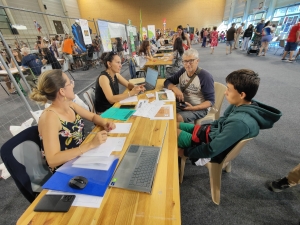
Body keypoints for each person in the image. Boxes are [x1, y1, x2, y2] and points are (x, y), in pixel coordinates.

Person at [177, 69, 282, 166]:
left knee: (170, 133)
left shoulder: (240, 123)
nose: (225, 92)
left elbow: (212, 149)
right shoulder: (241, 104)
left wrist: (184, 152)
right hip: (209, 133)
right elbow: (220, 123)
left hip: (209, 147)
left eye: (229, 89)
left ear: (242, 95)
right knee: (173, 125)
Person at [29, 69, 116, 172]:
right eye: (70, 83)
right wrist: (90, 145)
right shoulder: (50, 117)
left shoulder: (70, 104)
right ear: (62, 91)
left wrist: (104, 123)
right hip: (66, 168)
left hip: (81, 156)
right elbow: (52, 160)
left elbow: (92, 117)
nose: (73, 85)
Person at [164, 48, 215, 123]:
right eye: (185, 61)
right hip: (184, 104)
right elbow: (167, 81)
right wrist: (175, 89)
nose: (187, 64)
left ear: (197, 61)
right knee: (165, 110)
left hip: (199, 108)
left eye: (191, 61)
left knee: (176, 118)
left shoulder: (205, 77)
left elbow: (210, 102)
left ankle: (183, 133)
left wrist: (193, 108)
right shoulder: (183, 71)